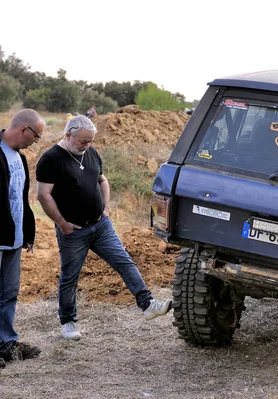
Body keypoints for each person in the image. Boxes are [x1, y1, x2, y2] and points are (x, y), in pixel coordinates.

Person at [36, 115, 171, 340]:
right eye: (82, 141)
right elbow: (43, 194)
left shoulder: (91, 153)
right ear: (68, 135)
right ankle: (68, 322)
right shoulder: (51, 159)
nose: (87, 146)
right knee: (70, 277)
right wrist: (62, 224)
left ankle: (147, 305)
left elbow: (102, 180)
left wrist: (106, 207)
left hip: (101, 225)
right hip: (73, 231)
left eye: (90, 141)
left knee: (124, 261)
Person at [0, 109, 45, 367]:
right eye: (36, 137)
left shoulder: (20, 158)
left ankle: (6, 344)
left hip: (13, 238)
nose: (36, 142)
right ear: (23, 130)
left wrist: (27, 232)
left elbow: (21, 198)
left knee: (9, 293)